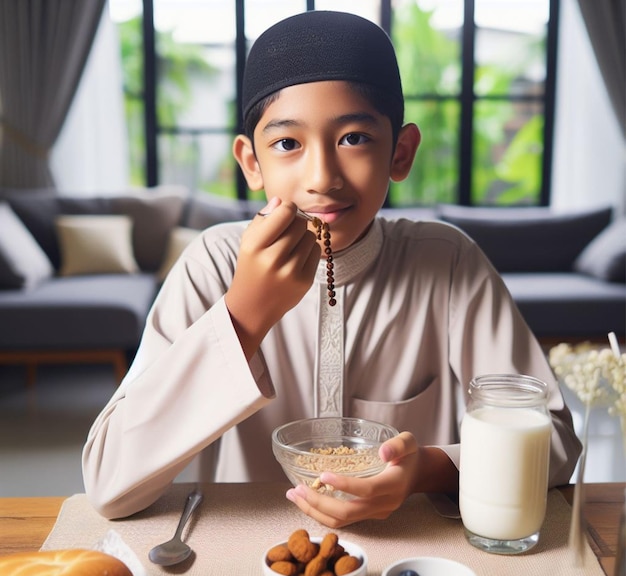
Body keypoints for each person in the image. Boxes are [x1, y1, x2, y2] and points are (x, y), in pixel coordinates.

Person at [82, 10, 581, 524]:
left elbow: (556, 444)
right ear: (252, 161)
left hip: (408, 561)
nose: (322, 177)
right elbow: (109, 485)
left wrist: (426, 470)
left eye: (354, 139)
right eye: (287, 144)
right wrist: (243, 318)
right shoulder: (212, 265)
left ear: (401, 152)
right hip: (240, 565)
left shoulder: (448, 262)